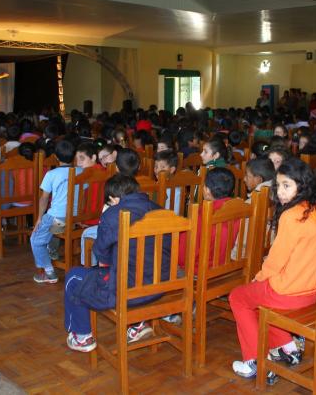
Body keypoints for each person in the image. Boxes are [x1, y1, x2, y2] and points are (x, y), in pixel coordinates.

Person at [228, 158, 316, 381]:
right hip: (314, 292)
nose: (280, 192)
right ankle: (287, 347)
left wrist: (257, 279)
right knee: (257, 298)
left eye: (286, 185)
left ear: (303, 185)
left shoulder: (291, 216)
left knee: (239, 297)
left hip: (289, 292)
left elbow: (275, 262)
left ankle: (255, 361)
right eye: (278, 185)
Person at [63, 175, 170, 352]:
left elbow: (102, 257)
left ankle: (82, 337)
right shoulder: (162, 212)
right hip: (159, 286)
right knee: (133, 269)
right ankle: (137, 325)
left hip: (127, 292)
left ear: (113, 199)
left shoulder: (113, 215)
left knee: (74, 276)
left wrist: (104, 216)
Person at [30, 140, 78, 284]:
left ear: (56, 157)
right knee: (49, 232)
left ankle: (49, 272)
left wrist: (39, 218)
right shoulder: (81, 172)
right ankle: (52, 250)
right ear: (74, 155)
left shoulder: (52, 174)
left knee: (35, 240)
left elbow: (44, 199)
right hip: (74, 219)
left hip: (58, 219)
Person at [179, 168, 238, 274]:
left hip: (201, 271)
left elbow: (183, 255)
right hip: (227, 267)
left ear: (206, 190)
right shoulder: (240, 210)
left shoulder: (202, 214)